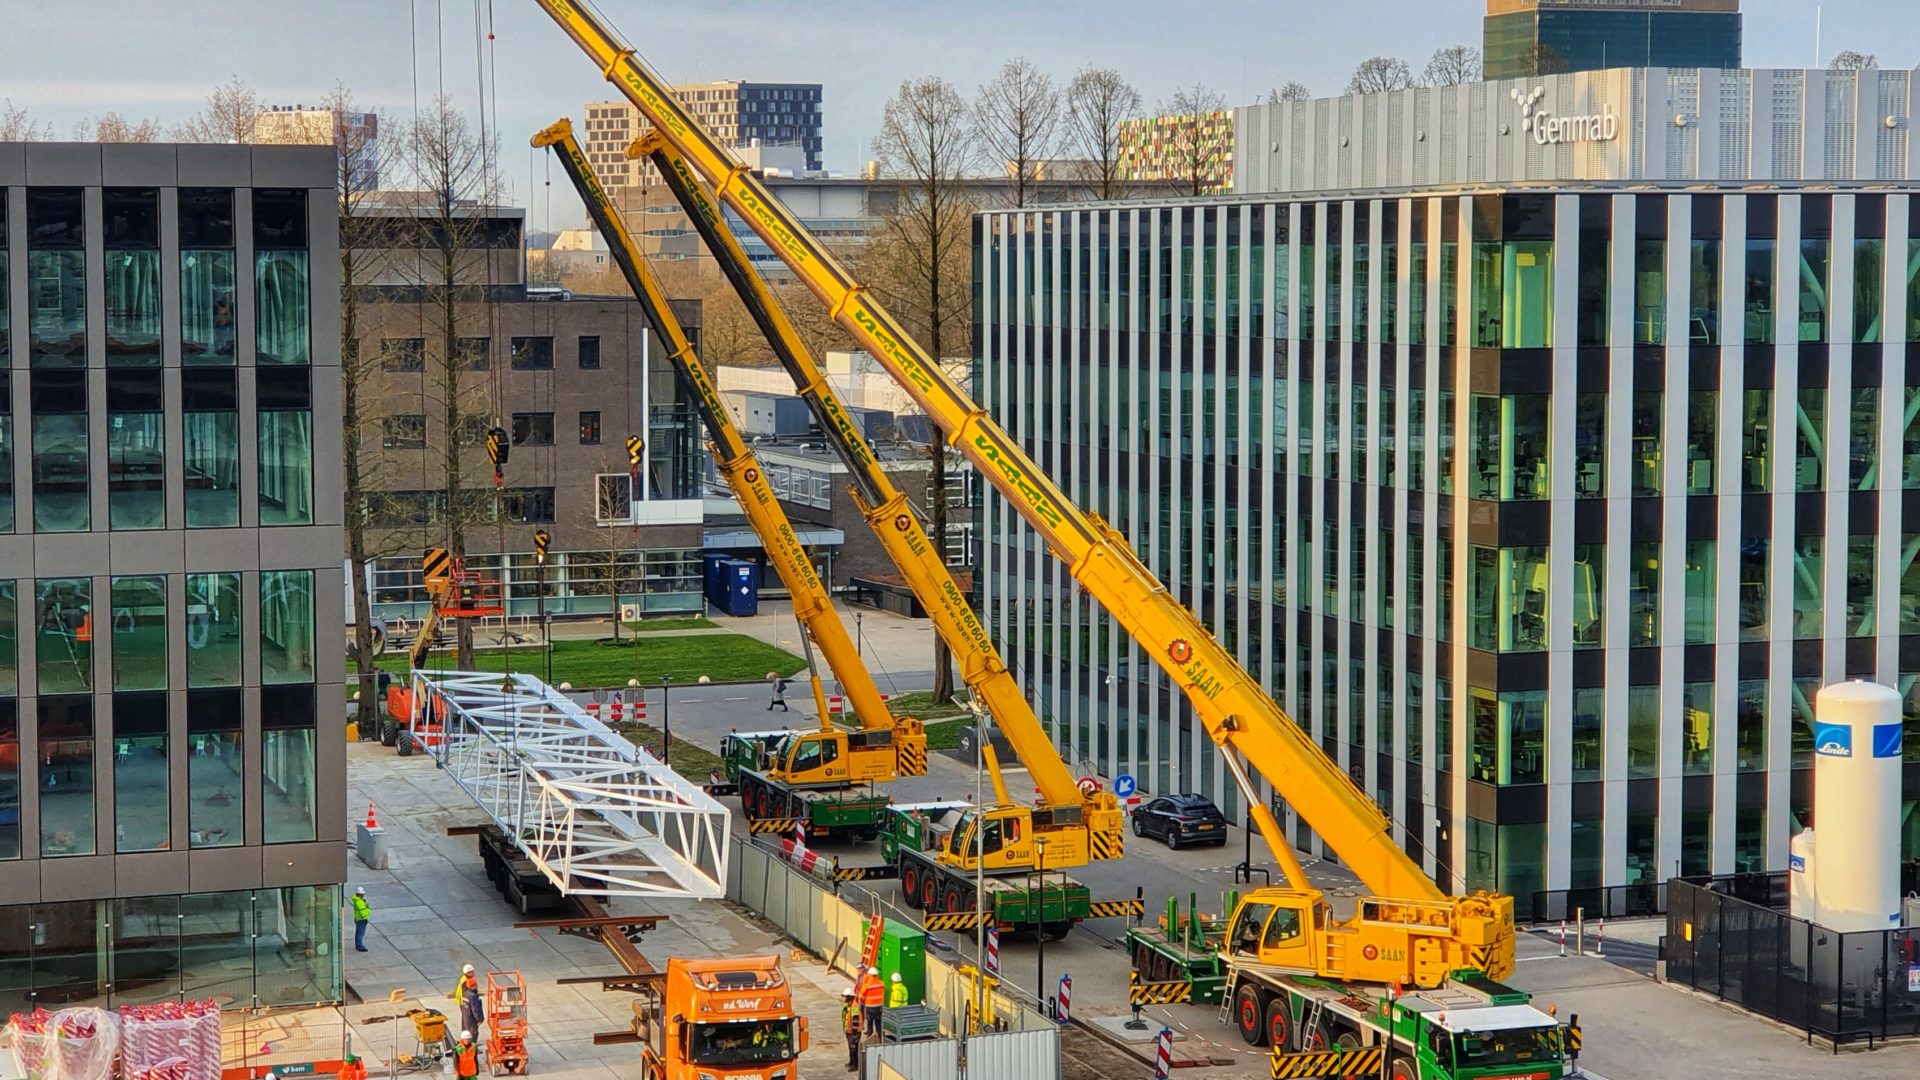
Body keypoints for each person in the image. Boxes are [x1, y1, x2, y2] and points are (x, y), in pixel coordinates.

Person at [453, 964, 484, 1044]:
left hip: (465, 1006)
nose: (473, 973)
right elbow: (475, 1008)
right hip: (466, 1007)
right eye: (472, 972)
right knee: (473, 1032)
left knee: (466, 1026)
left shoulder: (466, 985)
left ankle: (465, 1044)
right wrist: (479, 1019)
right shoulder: (465, 982)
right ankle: (471, 1047)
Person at [856, 965, 884, 1037]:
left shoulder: (867, 984)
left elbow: (861, 995)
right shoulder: (881, 983)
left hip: (870, 1006)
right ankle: (879, 1033)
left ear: (870, 974)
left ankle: (869, 1032)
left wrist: (862, 1000)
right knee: (878, 1021)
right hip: (879, 1006)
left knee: (869, 1020)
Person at [840, 986, 861, 1072]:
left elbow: (855, 1020)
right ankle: (851, 1062)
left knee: (854, 1048)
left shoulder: (854, 1006)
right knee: (850, 1048)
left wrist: (854, 1035)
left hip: (854, 1032)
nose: (845, 998)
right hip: (849, 1031)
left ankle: (855, 1065)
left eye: (846, 996)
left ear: (850, 997)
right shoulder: (847, 1005)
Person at [350, 887, 371, 952]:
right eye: (362, 894)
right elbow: (363, 913)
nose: (363, 895)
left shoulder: (357, 900)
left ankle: (358, 945)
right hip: (361, 919)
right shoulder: (359, 902)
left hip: (358, 919)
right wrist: (368, 909)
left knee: (358, 933)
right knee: (360, 934)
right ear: (359, 894)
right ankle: (360, 946)